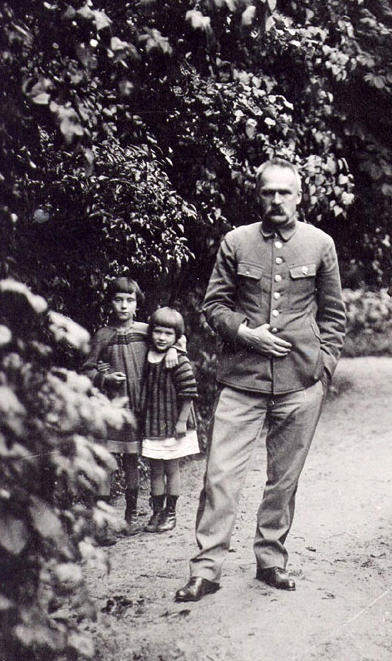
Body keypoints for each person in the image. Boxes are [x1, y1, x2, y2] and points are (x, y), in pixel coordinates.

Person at [175, 157, 346, 602]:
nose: (276, 200)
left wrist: (323, 370)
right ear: (258, 196)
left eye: (284, 192)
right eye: (268, 192)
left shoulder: (320, 244)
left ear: (299, 196)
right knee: (219, 476)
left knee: (283, 480)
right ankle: (206, 569)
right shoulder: (236, 242)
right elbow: (214, 306)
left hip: (300, 381)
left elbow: (333, 315)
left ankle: (271, 560)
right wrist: (245, 333)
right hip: (242, 380)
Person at [82, 277, 181, 544]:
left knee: (131, 460)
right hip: (112, 411)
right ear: (110, 303)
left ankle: (130, 515)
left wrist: (174, 349)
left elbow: (172, 337)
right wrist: (104, 378)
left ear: (137, 303)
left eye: (130, 300)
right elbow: (87, 369)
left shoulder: (146, 331)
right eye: (118, 300)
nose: (124, 306)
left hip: (141, 409)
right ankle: (102, 523)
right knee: (106, 462)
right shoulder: (102, 335)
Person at [140, 307, 199, 533]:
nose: (162, 338)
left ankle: (171, 513)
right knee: (156, 469)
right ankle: (157, 512)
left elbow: (189, 393)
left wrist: (182, 422)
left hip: (172, 422)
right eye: (158, 332)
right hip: (155, 422)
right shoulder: (147, 355)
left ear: (176, 337)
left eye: (168, 334)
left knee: (171, 468)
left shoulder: (179, 361)